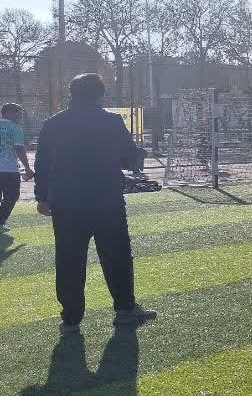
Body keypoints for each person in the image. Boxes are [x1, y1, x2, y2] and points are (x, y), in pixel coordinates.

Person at [35, 73, 156, 336]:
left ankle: (71, 319)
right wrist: (139, 154)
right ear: (100, 94)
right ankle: (125, 309)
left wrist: (41, 197)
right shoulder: (111, 121)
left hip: (66, 202)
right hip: (106, 199)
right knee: (116, 256)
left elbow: (42, 163)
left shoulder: (53, 123)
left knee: (68, 260)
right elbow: (128, 160)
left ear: (72, 93)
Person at [0, 103, 34, 231]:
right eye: (19, 113)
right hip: (8, 170)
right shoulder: (15, 127)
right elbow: (19, 148)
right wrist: (27, 168)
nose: (21, 116)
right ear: (9, 113)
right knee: (12, 196)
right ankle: (0, 221)